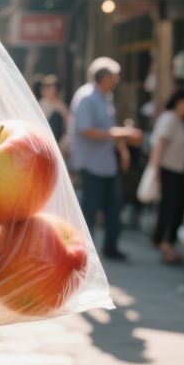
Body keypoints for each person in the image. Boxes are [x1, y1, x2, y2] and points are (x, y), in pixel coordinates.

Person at [69, 57, 142, 260]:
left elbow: (109, 126)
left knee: (113, 206)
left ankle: (111, 246)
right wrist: (123, 133)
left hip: (107, 163)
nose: (116, 81)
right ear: (103, 77)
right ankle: (83, 252)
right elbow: (86, 130)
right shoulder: (86, 97)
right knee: (90, 210)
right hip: (91, 164)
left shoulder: (105, 97)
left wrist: (122, 149)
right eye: (114, 77)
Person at [149, 89, 184, 264]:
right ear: (178, 102)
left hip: (178, 170)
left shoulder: (181, 121)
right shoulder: (169, 119)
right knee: (170, 208)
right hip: (168, 169)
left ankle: (165, 242)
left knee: (175, 207)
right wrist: (155, 170)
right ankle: (164, 242)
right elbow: (159, 144)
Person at [39, 75, 68, 143]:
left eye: (48, 86)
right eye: (44, 86)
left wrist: (64, 141)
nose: (45, 89)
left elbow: (69, 124)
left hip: (57, 143)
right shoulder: (40, 103)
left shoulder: (60, 105)